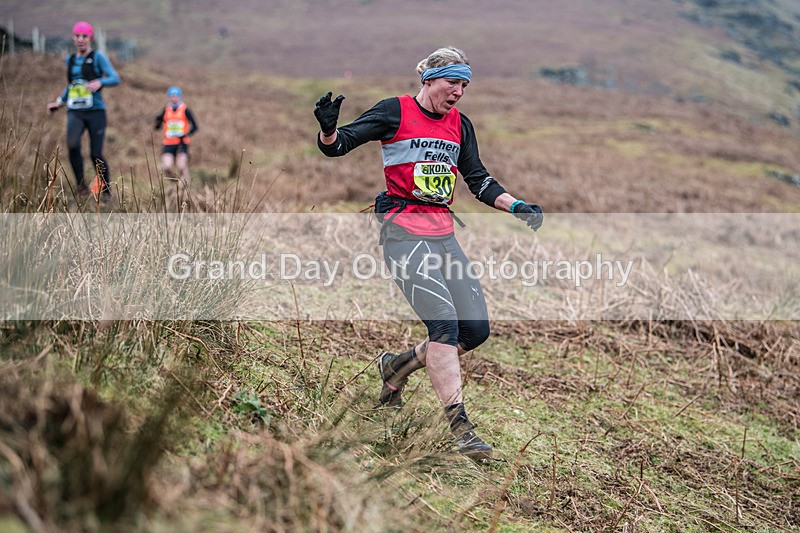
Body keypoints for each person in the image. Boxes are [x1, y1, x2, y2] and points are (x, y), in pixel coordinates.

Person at [314, 46, 543, 461]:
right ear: (429, 80)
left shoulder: (461, 124)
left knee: (475, 332)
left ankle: (396, 367)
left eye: (465, 85)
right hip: (402, 231)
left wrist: (517, 206)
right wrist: (329, 130)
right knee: (444, 328)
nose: (459, 92)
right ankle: (461, 430)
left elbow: (478, 179)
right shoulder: (394, 111)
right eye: (453, 82)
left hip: (441, 232)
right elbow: (337, 146)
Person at [46, 21, 120, 199]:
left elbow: (115, 78)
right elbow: (72, 85)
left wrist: (100, 82)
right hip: (75, 111)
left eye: (84, 36)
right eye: (77, 36)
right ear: (73, 38)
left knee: (95, 153)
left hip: (96, 111)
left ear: (90, 38)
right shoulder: (70, 60)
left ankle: (106, 192)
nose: (81, 40)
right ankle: (82, 189)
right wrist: (59, 101)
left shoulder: (98, 57)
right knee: (72, 145)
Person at [153, 86, 198, 200]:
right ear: (169, 97)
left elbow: (195, 127)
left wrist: (186, 135)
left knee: (181, 167)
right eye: (172, 96)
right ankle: (175, 185)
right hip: (168, 143)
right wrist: (157, 121)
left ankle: (187, 189)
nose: (174, 98)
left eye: (176, 95)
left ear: (179, 96)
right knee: (167, 167)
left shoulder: (185, 109)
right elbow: (157, 126)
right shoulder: (166, 109)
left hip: (182, 144)